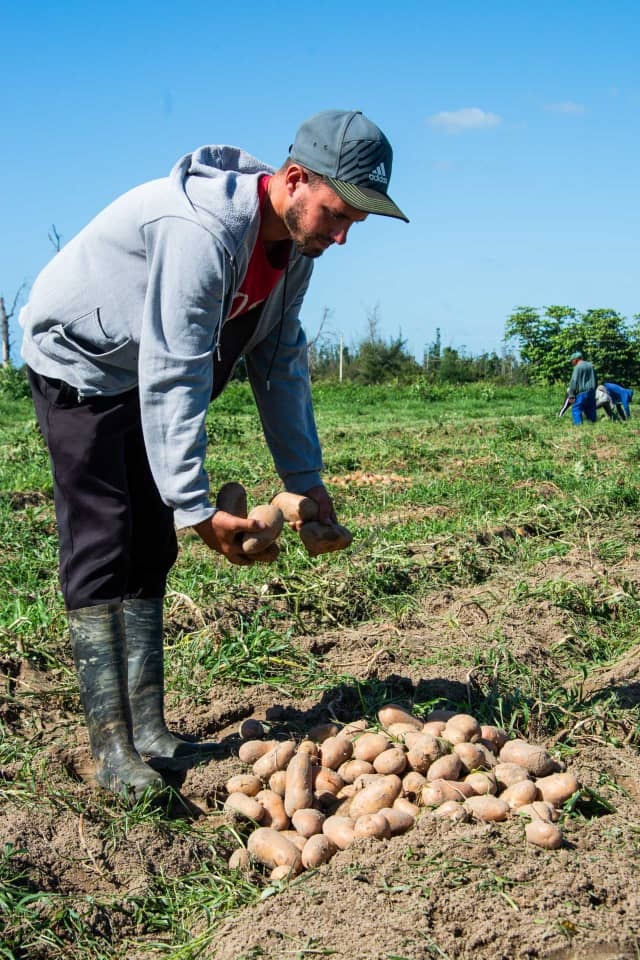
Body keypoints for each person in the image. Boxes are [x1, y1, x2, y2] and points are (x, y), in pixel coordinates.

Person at [19, 109, 409, 799]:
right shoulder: (200, 230)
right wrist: (197, 507)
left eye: (356, 222)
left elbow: (280, 360)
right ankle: (113, 748)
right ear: (293, 180)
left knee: (150, 543)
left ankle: (151, 732)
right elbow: (177, 364)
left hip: (143, 368)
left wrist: (305, 479)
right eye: (337, 213)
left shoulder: (291, 251)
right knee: (105, 535)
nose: (343, 235)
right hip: (82, 363)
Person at [567, 351, 597, 425]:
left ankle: (579, 428)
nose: (571, 362)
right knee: (591, 409)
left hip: (582, 393)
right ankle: (593, 426)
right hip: (592, 392)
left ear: (576, 359)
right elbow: (596, 379)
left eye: (572, 361)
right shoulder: (591, 365)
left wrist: (571, 395)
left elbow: (573, 382)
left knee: (576, 409)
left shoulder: (577, 367)